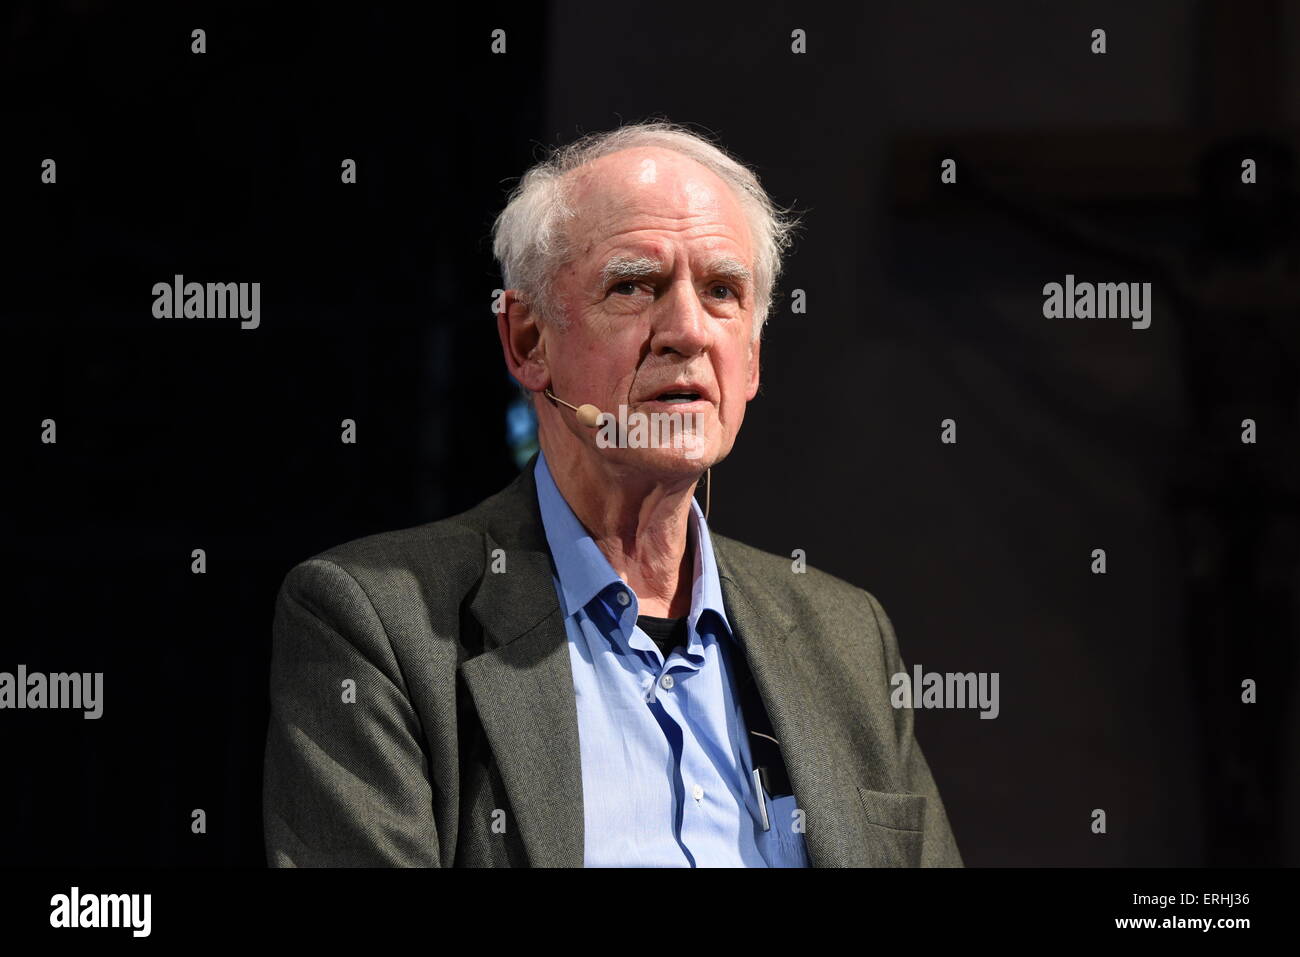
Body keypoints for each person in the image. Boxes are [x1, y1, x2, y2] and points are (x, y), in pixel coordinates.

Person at [262, 121, 962, 867]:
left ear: (751, 359)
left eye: (723, 292)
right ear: (529, 342)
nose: (687, 331)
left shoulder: (847, 636)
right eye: (633, 286)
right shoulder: (377, 623)